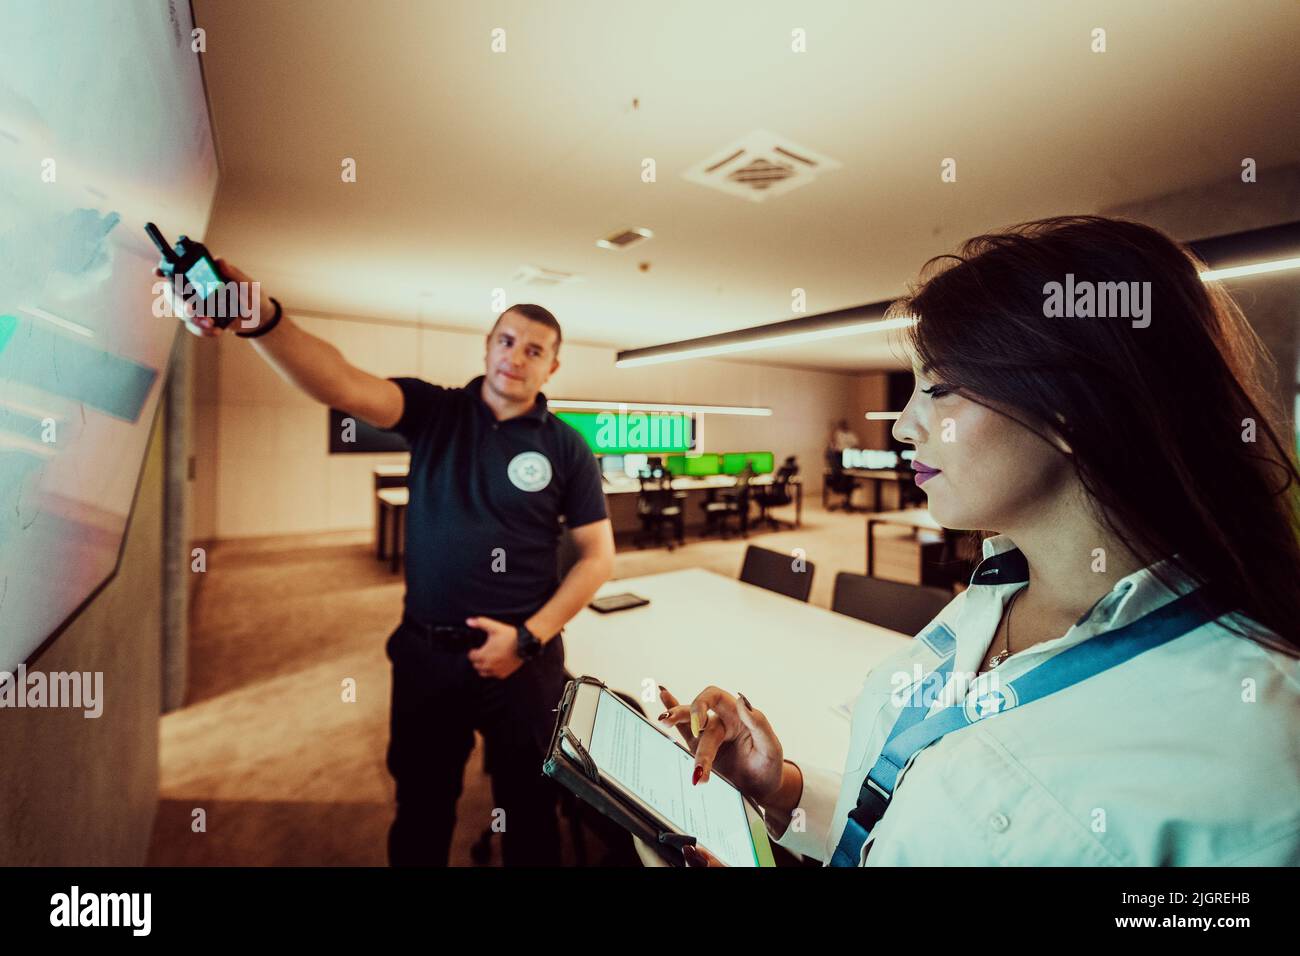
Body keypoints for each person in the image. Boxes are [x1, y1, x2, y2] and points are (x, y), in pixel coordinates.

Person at [657, 216, 1300, 866]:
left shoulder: (1260, 759)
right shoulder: (989, 597)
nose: (905, 426)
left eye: (938, 388)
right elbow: (916, 826)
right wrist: (780, 787)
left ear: (1071, 407)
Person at [165, 262, 615, 866]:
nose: (517, 356)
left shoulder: (567, 446)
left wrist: (529, 640)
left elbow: (596, 558)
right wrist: (263, 321)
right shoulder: (436, 412)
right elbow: (342, 384)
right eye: (506, 341)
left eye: (535, 350)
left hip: (525, 664)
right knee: (422, 813)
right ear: (488, 347)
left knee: (531, 818)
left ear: (552, 367)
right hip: (428, 656)